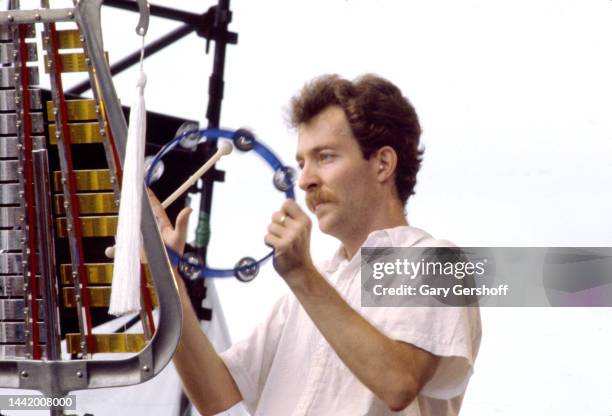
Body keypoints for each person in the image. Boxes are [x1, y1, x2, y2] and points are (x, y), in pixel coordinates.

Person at [149, 74, 481, 416]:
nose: (305, 180)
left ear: (383, 164)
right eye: (302, 163)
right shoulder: (310, 288)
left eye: (325, 157)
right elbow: (216, 396)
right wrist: (166, 280)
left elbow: (398, 383)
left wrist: (301, 276)